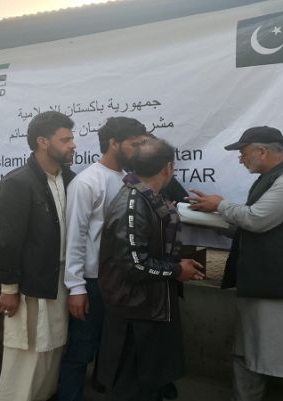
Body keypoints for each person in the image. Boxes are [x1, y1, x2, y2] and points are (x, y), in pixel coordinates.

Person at [189, 126, 283, 401]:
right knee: (248, 357)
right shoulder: (268, 179)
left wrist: (220, 206)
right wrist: (210, 221)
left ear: (262, 151)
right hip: (262, 287)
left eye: (243, 152)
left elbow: (257, 219)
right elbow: (259, 226)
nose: (240, 159)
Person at [97, 138, 205, 401]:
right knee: (131, 388)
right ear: (168, 168)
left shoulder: (150, 199)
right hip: (135, 312)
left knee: (151, 384)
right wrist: (177, 271)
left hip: (151, 306)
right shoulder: (132, 205)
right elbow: (135, 264)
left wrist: (178, 266)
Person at [59, 116, 148, 401]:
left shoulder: (130, 179)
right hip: (93, 282)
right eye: (135, 144)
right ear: (114, 143)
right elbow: (75, 238)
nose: (140, 151)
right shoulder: (87, 182)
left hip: (120, 280)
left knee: (112, 347)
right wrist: (77, 288)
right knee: (81, 348)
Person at [0, 111, 76, 401]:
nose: (72, 145)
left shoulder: (70, 179)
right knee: (25, 353)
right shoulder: (19, 182)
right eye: (65, 139)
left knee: (52, 351)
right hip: (30, 285)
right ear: (43, 142)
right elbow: (9, 240)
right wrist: (9, 289)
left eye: (72, 139)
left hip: (60, 280)